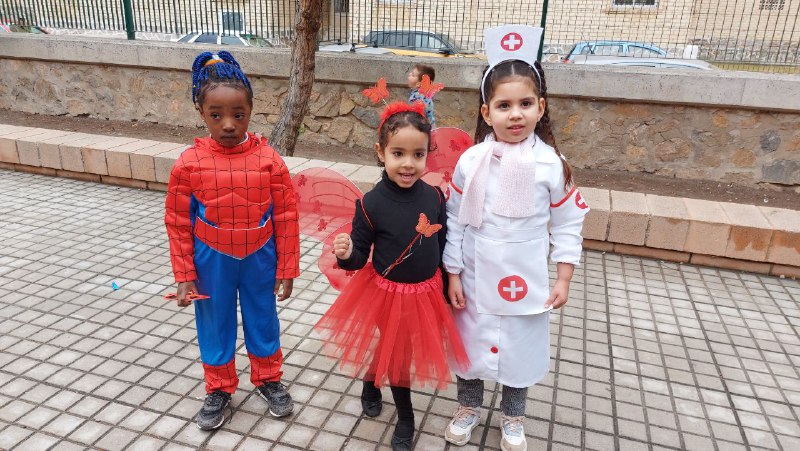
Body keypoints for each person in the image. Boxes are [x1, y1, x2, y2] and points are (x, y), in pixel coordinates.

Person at [442, 26, 589, 451]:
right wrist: (453, 273)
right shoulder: (471, 160)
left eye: (525, 103)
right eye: (503, 105)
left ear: (541, 107)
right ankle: (468, 407)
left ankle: (513, 416)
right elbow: (455, 219)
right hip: (474, 273)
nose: (515, 115)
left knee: (520, 351)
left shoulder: (552, 164)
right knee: (471, 345)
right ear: (486, 112)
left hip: (526, 280)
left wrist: (563, 277)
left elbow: (568, 223)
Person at [314, 101, 469, 451]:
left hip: (427, 291)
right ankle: (406, 417)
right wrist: (346, 254)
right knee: (399, 351)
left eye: (418, 154)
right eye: (398, 153)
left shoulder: (434, 196)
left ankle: (371, 380)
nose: (408, 163)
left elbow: (442, 243)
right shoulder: (371, 204)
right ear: (380, 152)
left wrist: (448, 282)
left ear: (427, 154)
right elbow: (358, 257)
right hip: (386, 293)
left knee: (396, 346)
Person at [165, 51, 300, 431]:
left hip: (260, 257)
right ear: (201, 112)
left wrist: (287, 267)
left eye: (238, 115)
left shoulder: (270, 160)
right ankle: (219, 387)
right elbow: (178, 223)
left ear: (251, 110)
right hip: (211, 260)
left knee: (263, 317)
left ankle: (269, 379)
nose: (228, 124)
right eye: (216, 115)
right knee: (214, 321)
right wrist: (184, 275)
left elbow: (286, 216)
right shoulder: (188, 164)